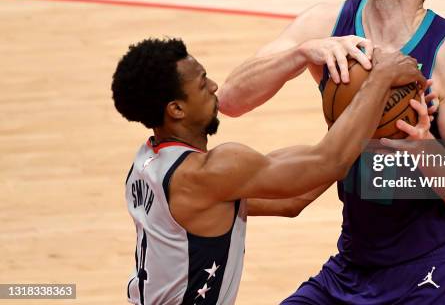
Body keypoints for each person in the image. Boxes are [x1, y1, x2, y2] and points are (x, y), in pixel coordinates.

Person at [218, 0, 445, 304]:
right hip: (353, 264)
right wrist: (300, 55)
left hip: (433, 272)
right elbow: (230, 100)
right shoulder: (328, 24)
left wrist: (423, 147)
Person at [111, 37, 424, 304]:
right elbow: (328, 162)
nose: (214, 86)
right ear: (176, 109)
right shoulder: (210, 172)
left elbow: (291, 200)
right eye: (202, 82)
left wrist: (356, 129)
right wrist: (380, 79)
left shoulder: (148, 163)